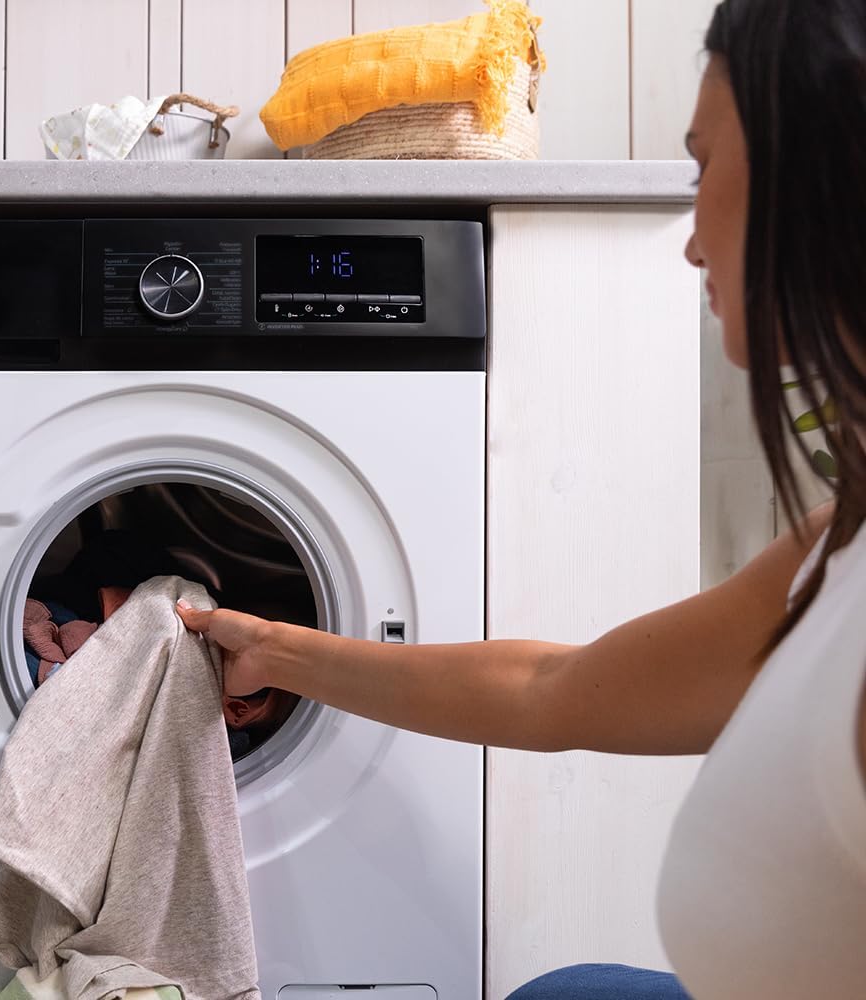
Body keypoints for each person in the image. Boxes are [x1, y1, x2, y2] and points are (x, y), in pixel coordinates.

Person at [176, 1, 866, 996]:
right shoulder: (831, 550)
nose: (690, 239)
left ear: (818, 181)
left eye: (703, 164)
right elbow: (554, 687)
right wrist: (276, 649)